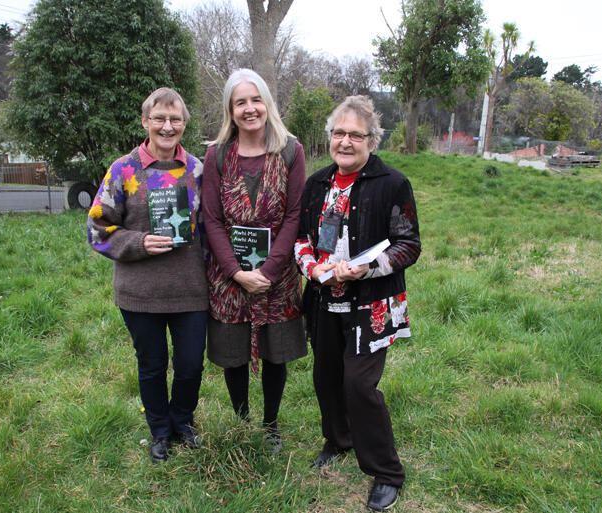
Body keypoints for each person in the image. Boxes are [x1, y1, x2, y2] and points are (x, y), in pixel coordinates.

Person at [294, 95, 421, 511]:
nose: (345, 141)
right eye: (338, 133)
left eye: (355, 134)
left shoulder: (391, 184)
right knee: (326, 377)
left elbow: (408, 245)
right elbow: (301, 240)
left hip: (373, 302)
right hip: (324, 299)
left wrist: (368, 269)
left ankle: (386, 472)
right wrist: (310, 267)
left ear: (372, 141)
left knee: (359, 385)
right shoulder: (317, 184)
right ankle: (339, 439)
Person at [87, 87, 208, 464]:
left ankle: (182, 422)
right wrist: (139, 242)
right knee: (152, 365)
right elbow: (97, 229)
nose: (167, 126)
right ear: (145, 122)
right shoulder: (123, 170)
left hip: (190, 290)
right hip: (140, 293)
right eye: (159, 118)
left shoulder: (199, 171)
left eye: (175, 119)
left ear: (184, 124)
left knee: (190, 365)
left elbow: (214, 225)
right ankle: (159, 430)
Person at [202, 68, 306, 453]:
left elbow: (294, 215)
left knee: (275, 352)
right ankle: (242, 422)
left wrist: (268, 270)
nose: (250, 109)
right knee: (234, 355)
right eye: (240, 102)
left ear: (267, 102)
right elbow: (211, 219)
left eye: (256, 99)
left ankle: (271, 424)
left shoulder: (290, 150)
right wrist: (236, 272)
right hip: (228, 278)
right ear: (230, 109)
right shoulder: (217, 155)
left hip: (277, 278)